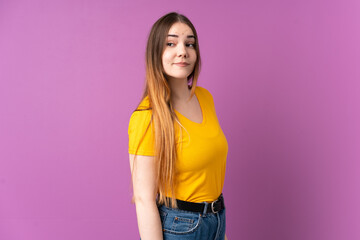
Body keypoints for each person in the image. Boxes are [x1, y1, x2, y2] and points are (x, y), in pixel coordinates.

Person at [128, 12, 229, 240]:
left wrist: (217, 226)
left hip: (217, 218)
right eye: (171, 43)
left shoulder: (205, 98)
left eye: (189, 43)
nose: (182, 51)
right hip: (181, 227)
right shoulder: (147, 116)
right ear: (156, 53)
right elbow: (143, 200)